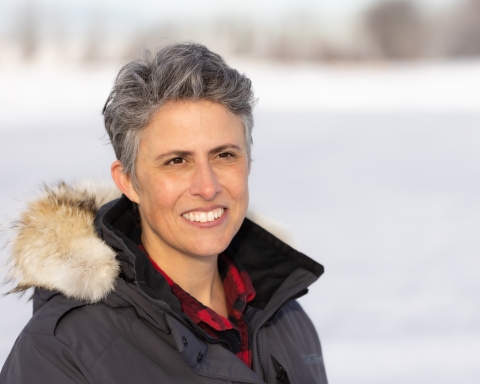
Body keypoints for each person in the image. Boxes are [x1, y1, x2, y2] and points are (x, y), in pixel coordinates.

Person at [1, 43, 328, 383]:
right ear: (128, 181)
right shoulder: (63, 351)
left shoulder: (286, 316)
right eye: (176, 161)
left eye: (224, 156)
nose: (207, 186)